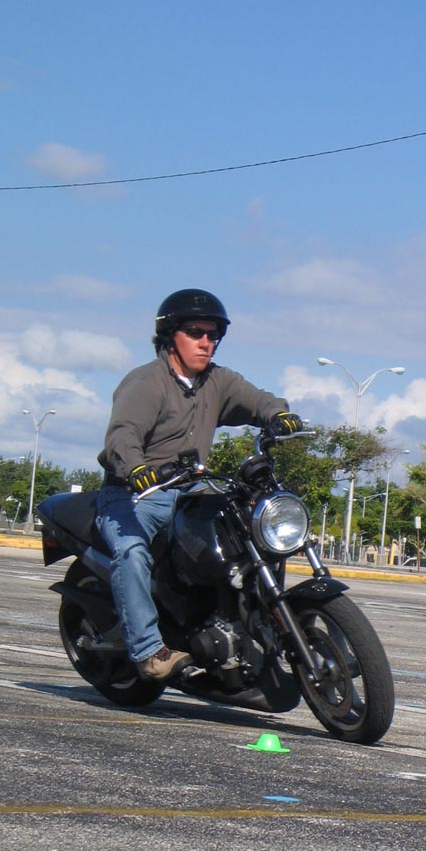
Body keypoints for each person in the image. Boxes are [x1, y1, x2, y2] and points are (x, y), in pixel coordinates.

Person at [96, 288, 302, 681]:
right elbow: (123, 435)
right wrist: (137, 467)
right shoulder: (146, 382)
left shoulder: (218, 381)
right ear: (170, 335)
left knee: (253, 530)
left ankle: (251, 624)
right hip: (136, 492)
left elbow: (258, 400)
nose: (206, 342)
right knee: (131, 550)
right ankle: (149, 652)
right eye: (195, 332)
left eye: (213, 334)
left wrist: (278, 414)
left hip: (192, 490)